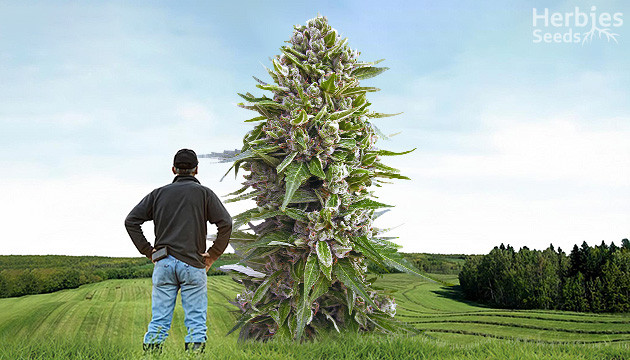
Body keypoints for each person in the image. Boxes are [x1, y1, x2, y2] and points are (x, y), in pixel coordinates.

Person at [125, 148, 232, 354]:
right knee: (196, 323)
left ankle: (151, 357)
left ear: (173, 169)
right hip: (193, 263)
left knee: (159, 321)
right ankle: (193, 356)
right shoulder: (204, 194)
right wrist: (213, 254)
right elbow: (225, 224)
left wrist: (149, 251)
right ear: (196, 170)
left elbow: (131, 221)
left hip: (163, 262)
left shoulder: (158, 194)